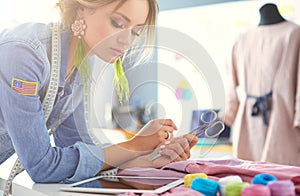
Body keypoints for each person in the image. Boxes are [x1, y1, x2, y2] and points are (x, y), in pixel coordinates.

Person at [0, 0, 198, 184]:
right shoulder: (24, 54)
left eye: (135, 32)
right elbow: (43, 167)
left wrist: (146, 159)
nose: (126, 41)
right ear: (81, 9)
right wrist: (136, 145)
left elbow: (77, 148)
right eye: (118, 23)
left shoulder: (82, 64)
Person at [224, 3, 300, 166]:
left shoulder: (295, 34)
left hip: (281, 122)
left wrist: (230, 112)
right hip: (253, 120)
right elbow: (232, 82)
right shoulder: (241, 39)